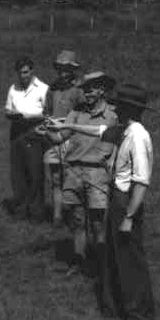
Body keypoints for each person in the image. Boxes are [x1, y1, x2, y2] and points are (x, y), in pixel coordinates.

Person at [48, 83, 155, 320]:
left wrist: (129, 217)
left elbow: (141, 182)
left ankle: (139, 313)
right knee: (116, 256)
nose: (115, 110)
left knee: (130, 259)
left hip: (126, 202)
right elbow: (96, 131)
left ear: (129, 109)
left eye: (120, 107)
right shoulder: (124, 130)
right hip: (117, 199)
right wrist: (66, 125)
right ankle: (119, 307)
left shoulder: (137, 136)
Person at [49, 71, 117, 276]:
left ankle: (102, 266)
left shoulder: (112, 115)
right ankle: (78, 261)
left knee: (98, 224)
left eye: (90, 89)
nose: (86, 93)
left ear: (102, 90)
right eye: (84, 89)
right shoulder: (76, 112)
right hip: (73, 172)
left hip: (97, 175)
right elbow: (60, 137)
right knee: (77, 221)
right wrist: (48, 132)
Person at [2, 56, 49, 222]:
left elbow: (47, 114)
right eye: (20, 73)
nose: (23, 76)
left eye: (26, 72)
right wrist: (11, 114)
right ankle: (21, 209)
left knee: (35, 173)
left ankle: (37, 212)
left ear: (32, 71)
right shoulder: (13, 88)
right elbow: (8, 109)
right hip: (16, 132)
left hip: (34, 132)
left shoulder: (43, 88)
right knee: (17, 173)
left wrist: (31, 117)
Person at [42, 50, 84, 227]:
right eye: (60, 68)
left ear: (73, 70)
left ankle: (74, 215)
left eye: (66, 69)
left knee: (72, 177)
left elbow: (82, 115)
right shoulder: (52, 89)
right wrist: (47, 120)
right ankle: (57, 216)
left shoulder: (78, 90)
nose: (62, 72)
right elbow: (46, 110)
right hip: (53, 135)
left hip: (71, 137)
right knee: (55, 178)